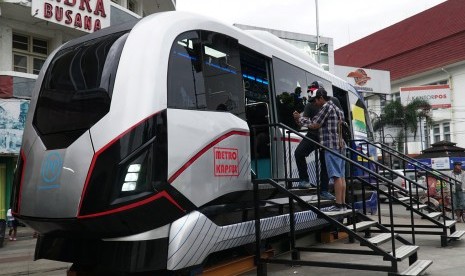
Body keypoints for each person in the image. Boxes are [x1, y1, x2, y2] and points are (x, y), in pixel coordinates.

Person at [293, 88, 347, 211]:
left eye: (316, 100)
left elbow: (315, 124)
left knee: (336, 177)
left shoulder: (327, 107)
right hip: (341, 145)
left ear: (321, 98)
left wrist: (299, 119)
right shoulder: (338, 110)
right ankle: (342, 204)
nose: (315, 103)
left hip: (331, 145)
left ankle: (338, 205)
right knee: (342, 176)